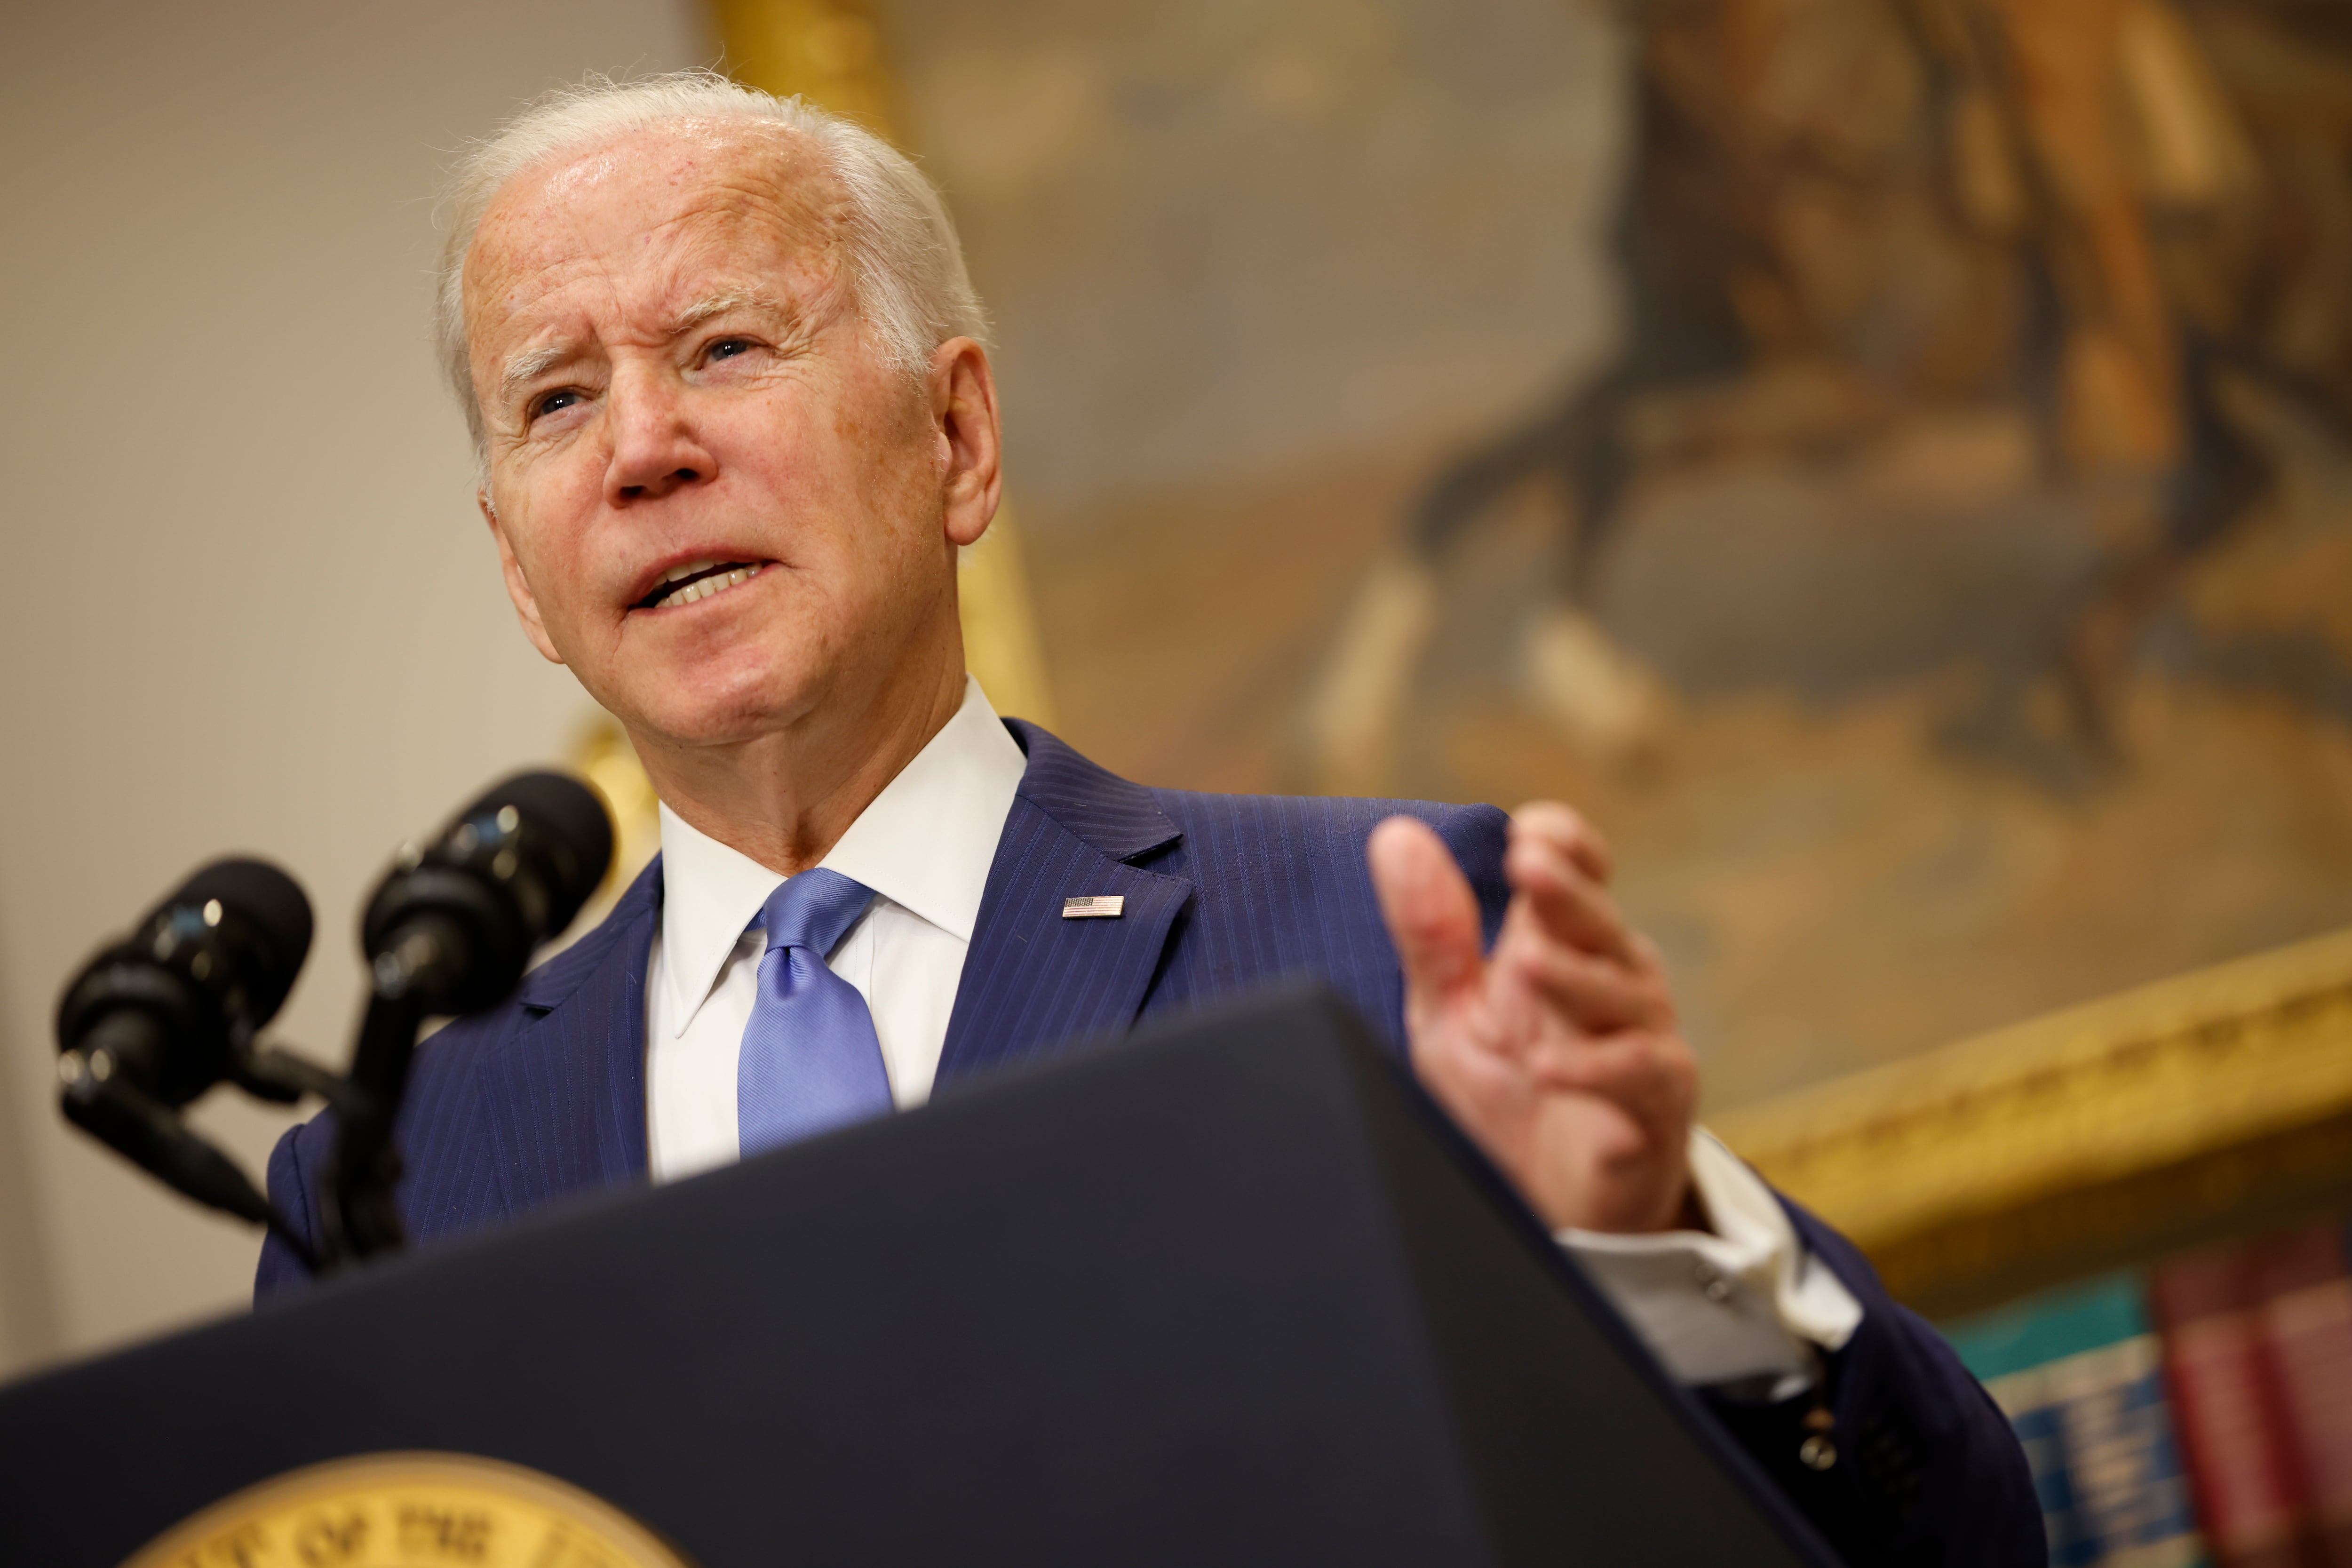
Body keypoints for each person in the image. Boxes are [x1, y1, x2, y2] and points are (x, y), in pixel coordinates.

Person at [254, 73, 2040, 1566]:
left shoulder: (1393, 937)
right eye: (556, 399)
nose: (643, 446)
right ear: (517, 560)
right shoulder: (389, 1175)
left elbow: (1947, 1545)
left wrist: (1642, 1256)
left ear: (957, 438)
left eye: (724, 347)